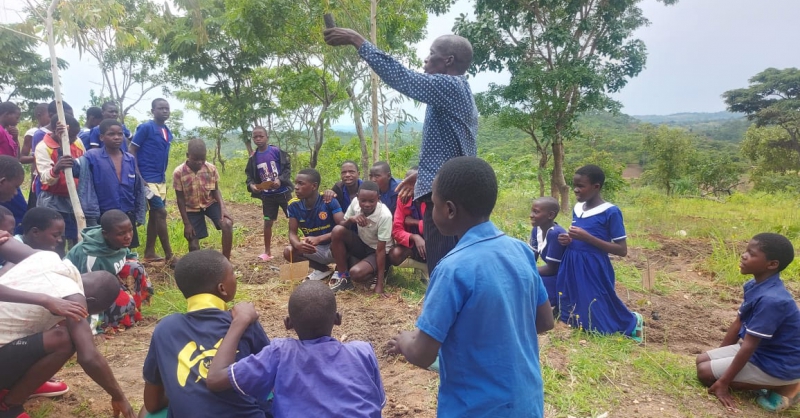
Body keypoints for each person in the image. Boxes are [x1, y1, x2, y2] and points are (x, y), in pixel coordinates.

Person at [387, 156, 554, 417]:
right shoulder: (520, 250)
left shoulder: (452, 269)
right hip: (527, 403)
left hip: (475, 408)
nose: (432, 211)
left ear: (450, 210)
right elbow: (545, 321)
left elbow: (422, 353)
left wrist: (404, 340)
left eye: (433, 204)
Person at [324, 29, 478, 275]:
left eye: (431, 54)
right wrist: (425, 174)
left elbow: (401, 77)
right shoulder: (455, 91)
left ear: (448, 60)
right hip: (449, 192)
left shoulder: (451, 86)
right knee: (446, 266)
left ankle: (443, 311)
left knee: (443, 269)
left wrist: (357, 40)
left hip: (448, 197)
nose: (425, 60)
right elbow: (454, 146)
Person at [0, 236, 137, 418]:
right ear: (90, 302)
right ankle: (10, 407)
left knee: (45, 331)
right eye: (91, 310)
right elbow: (88, 357)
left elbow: (6, 242)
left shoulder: (49, 257)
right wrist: (119, 396)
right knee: (65, 339)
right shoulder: (75, 299)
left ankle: (23, 383)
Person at [206, 281, 385, 418]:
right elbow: (377, 404)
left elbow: (215, 379)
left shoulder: (281, 352)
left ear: (288, 323)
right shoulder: (363, 351)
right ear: (337, 319)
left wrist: (240, 321)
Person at [141, 249, 271, 418]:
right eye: (232, 273)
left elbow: (151, 403)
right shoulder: (244, 321)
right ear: (222, 289)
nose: (236, 278)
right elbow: (272, 377)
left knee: (144, 412)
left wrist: (183, 392)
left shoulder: (164, 329)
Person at [697, 233, 800, 412]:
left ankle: (787, 387)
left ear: (772, 264)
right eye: (746, 251)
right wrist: (719, 353)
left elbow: (749, 345)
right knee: (702, 360)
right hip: (763, 352)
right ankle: (763, 382)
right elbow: (739, 322)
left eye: (752, 254)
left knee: (705, 373)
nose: (744, 256)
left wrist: (723, 383)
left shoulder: (773, 300)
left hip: (778, 364)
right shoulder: (754, 286)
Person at [556, 165, 643, 341]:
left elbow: (622, 250)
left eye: (581, 186)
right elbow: (580, 236)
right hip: (572, 261)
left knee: (598, 308)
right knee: (573, 301)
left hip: (593, 266)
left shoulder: (611, 212)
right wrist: (569, 239)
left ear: (596, 186)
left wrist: (588, 238)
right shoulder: (578, 208)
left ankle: (632, 321)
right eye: (574, 185)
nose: (576, 189)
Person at [66, 210, 151, 331]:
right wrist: (95, 330)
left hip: (108, 281)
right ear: (106, 234)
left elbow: (126, 255)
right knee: (124, 301)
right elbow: (89, 295)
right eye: (121, 233)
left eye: (130, 230)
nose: (128, 236)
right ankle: (106, 324)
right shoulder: (92, 257)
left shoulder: (118, 242)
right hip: (80, 291)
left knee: (136, 267)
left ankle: (134, 314)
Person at [75, 119, 147, 248]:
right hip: (103, 214)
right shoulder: (92, 156)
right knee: (104, 249)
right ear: (102, 137)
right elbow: (77, 170)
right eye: (111, 134)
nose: (117, 137)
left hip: (126, 212)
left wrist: (139, 211)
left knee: (126, 250)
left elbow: (136, 187)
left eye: (120, 134)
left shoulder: (129, 158)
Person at [329, 181, 393, 294]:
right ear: (357, 197)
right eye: (363, 201)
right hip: (363, 245)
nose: (367, 204)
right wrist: (350, 220)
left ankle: (381, 272)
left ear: (378, 198)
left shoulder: (385, 215)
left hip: (377, 251)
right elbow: (343, 224)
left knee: (356, 273)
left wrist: (380, 284)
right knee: (337, 231)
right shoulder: (355, 203)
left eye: (371, 201)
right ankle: (343, 278)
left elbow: (381, 249)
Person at [173, 139, 234, 259]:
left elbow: (215, 190)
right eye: (195, 159)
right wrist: (187, 224)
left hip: (210, 203)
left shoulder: (211, 169)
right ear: (187, 156)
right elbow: (180, 199)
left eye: (203, 159)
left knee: (227, 224)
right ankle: (197, 269)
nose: (199, 162)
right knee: (193, 244)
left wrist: (223, 209)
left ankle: (226, 261)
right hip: (191, 208)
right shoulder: (179, 172)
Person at [130, 98, 173, 263]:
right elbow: (132, 149)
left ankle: (149, 252)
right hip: (147, 178)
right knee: (161, 212)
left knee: (156, 215)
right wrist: (138, 175)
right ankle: (170, 255)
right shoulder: (146, 127)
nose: (164, 111)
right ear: (153, 110)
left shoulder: (167, 131)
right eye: (161, 108)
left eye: (167, 108)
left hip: (160, 179)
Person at [35, 116, 86, 254]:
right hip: (54, 200)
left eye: (76, 135)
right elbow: (45, 179)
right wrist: (56, 169)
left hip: (76, 198)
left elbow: (84, 166)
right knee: (56, 239)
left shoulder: (78, 142)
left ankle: (76, 266)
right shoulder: (43, 147)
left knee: (78, 235)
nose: (75, 139)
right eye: (72, 136)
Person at [284, 168, 344, 282]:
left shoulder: (328, 201)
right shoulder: (293, 205)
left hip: (335, 246)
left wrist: (319, 238)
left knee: (341, 241)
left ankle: (340, 270)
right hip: (315, 249)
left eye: (301, 184)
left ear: (314, 186)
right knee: (289, 251)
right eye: (296, 183)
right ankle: (323, 270)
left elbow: (343, 228)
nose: (296, 187)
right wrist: (297, 245)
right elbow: (292, 232)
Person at [244, 126, 292, 262]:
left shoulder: (276, 151)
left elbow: (287, 168)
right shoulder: (253, 157)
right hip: (267, 196)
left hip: (283, 193)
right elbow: (249, 177)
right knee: (267, 222)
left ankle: (295, 246)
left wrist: (280, 180)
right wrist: (252, 186)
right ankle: (267, 252)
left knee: (293, 218)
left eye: (261, 136)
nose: (258, 139)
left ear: (267, 137)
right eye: (255, 137)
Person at [529, 196, 567, 311]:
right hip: (551, 274)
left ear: (550, 215)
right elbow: (531, 257)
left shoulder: (556, 234)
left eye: (536, 212)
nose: (531, 215)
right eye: (532, 211)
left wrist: (529, 272)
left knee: (532, 287)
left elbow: (552, 269)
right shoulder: (537, 229)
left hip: (561, 277)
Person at [389, 167, 427, 271]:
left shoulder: (431, 198)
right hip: (414, 244)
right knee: (395, 255)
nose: (408, 187)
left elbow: (436, 227)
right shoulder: (402, 199)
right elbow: (396, 230)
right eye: (406, 182)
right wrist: (414, 237)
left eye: (413, 182)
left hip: (433, 242)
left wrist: (415, 222)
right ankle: (424, 268)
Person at [0, 102, 26, 235]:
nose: (18, 121)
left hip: (11, 176)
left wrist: (15, 138)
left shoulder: (6, 132)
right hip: (6, 176)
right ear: (6, 114)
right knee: (21, 212)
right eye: (16, 117)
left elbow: (17, 157)